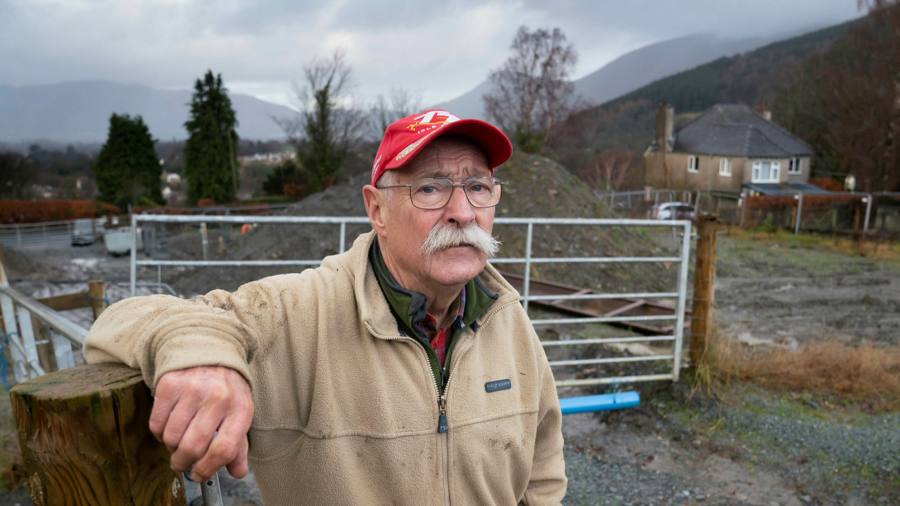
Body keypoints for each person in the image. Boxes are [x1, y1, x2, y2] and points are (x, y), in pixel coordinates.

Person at [84, 109, 567, 504]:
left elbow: (542, 466)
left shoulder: (506, 317)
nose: (463, 212)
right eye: (431, 188)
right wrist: (203, 359)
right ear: (376, 209)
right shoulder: (301, 313)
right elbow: (123, 319)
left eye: (478, 187)